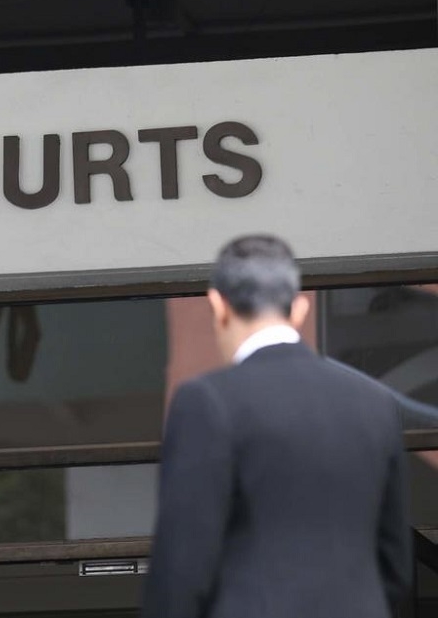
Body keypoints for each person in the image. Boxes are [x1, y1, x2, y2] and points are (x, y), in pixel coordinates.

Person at [141, 234, 413, 618]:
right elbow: (397, 566)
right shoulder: (374, 402)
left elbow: (182, 566)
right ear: (299, 308)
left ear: (218, 305)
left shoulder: (207, 400)